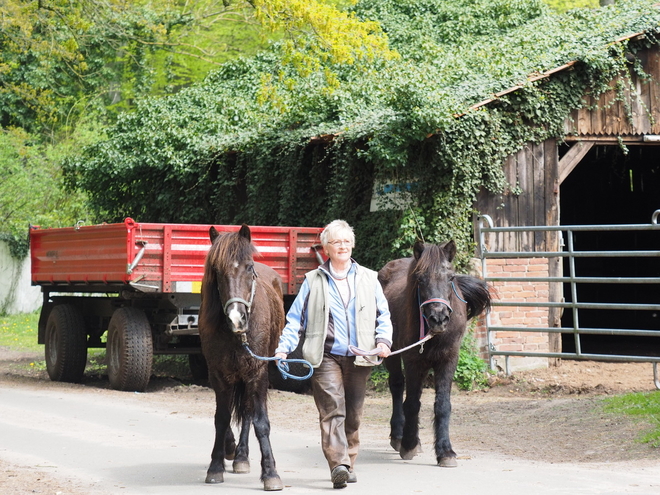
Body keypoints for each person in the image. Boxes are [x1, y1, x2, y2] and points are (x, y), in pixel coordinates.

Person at [274, 219, 393, 489]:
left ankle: (350, 459)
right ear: (326, 247)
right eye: (337, 242)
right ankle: (338, 464)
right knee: (331, 410)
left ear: (352, 245)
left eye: (347, 241)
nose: (343, 246)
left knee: (353, 412)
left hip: (360, 355)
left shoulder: (369, 277)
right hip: (325, 355)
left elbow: (383, 314)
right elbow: (296, 319)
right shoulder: (314, 279)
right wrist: (283, 347)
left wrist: (384, 340)